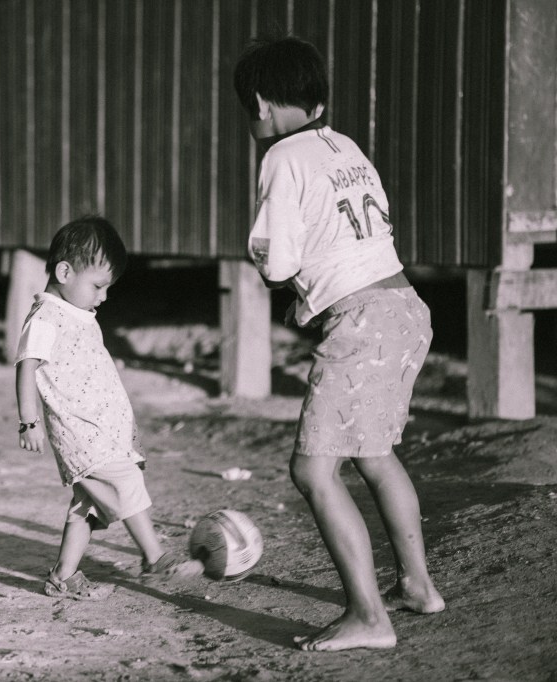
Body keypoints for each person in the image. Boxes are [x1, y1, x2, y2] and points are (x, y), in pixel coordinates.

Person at [233, 36, 446, 651]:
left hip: (362, 323)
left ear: (260, 103)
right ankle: (418, 586)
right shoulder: (344, 146)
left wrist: (271, 267)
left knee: (312, 470)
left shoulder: (281, 157)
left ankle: (369, 618)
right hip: (405, 310)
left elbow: (278, 261)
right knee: (374, 453)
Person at [14, 216, 190, 599]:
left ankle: (63, 575)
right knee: (126, 483)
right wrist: (29, 422)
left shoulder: (76, 313)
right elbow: (26, 366)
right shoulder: (45, 318)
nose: (104, 297)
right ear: (64, 272)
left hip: (103, 430)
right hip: (80, 432)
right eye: (98, 286)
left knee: (87, 506)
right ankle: (155, 556)